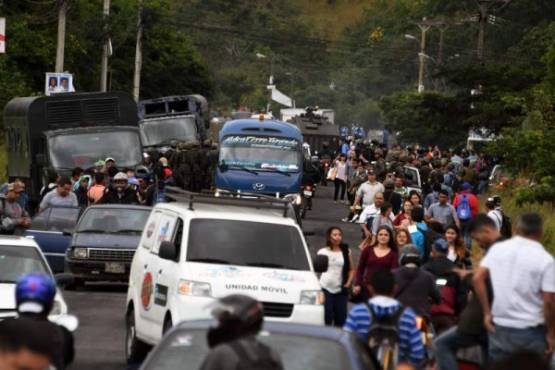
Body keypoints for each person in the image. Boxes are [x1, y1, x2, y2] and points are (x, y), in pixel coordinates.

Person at [473, 213, 555, 363]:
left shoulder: (498, 249)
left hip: (499, 328)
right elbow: (549, 302)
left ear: (517, 229)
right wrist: (551, 334)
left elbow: (478, 278)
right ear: (541, 232)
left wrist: (486, 312)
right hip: (530, 332)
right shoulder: (546, 260)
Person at [433, 214, 501, 370]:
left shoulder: (497, 250)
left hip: (480, 320)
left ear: (485, 230)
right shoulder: (497, 249)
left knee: (441, 344)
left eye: (477, 239)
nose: (479, 243)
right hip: (486, 319)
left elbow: (484, 282)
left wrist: (468, 277)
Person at [344, 269, 425, 366]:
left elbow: (346, 346)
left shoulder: (358, 312)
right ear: (395, 288)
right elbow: (418, 354)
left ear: (370, 288)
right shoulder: (408, 315)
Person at [0, 273, 75, 370]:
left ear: (18, 298)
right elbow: (66, 359)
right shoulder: (62, 333)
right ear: (50, 303)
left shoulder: (3, 327)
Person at [200, 294, 283, 370]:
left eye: (222, 321)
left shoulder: (221, 354)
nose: (218, 326)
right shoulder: (272, 356)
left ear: (234, 324)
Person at [423, 239, 466, 335]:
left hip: (428, 316)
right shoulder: (456, 271)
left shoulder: (424, 269)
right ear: (447, 252)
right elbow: (462, 296)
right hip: (449, 316)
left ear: (433, 251)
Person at [317, 227, 355, 327]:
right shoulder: (322, 252)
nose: (337, 237)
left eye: (339, 235)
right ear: (329, 237)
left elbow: (351, 269)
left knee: (341, 319)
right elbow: (317, 271)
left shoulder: (346, 251)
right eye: (335, 235)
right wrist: (318, 290)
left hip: (341, 289)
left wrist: (348, 282)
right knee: (326, 317)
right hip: (325, 288)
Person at [394, 245, 440, 320]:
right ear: (419, 258)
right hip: (420, 318)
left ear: (401, 258)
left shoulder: (393, 274)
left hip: (398, 318)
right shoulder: (428, 276)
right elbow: (438, 298)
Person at [353, 226, 398, 299]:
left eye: (386, 235)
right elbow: (360, 268)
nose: (383, 237)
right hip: (366, 288)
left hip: (384, 290)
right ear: (376, 236)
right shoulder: (368, 250)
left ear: (390, 237)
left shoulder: (393, 254)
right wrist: (358, 284)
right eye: (380, 234)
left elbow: (394, 273)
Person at [453, 182, 479, 249]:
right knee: (468, 235)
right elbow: (476, 210)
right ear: (468, 189)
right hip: (470, 219)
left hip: (459, 219)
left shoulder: (457, 197)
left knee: (460, 234)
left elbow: (454, 208)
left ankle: (460, 249)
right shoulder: (473, 197)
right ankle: (467, 250)